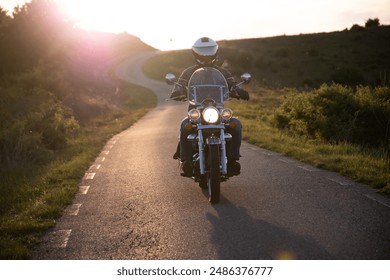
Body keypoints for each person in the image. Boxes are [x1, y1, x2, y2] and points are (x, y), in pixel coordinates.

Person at [170, 37, 249, 177]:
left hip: (218, 110)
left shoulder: (223, 73)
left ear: (215, 51)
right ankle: (186, 161)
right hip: (196, 112)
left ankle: (232, 160)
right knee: (184, 125)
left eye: (209, 51)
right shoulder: (188, 72)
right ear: (195, 53)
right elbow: (180, 85)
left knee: (235, 124)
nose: (206, 55)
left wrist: (239, 90)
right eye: (202, 52)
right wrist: (177, 91)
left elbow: (231, 84)